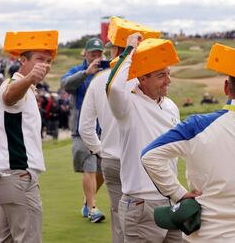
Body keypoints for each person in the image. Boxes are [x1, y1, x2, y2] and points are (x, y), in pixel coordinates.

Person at [141, 44, 235, 242]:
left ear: (225, 88)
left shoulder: (196, 125)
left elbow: (150, 156)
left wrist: (178, 194)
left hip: (200, 235)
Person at [106, 33, 182, 242]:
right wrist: (129, 51)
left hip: (171, 201)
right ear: (142, 78)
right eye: (161, 76)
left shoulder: (170, 106)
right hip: (141, 204)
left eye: (168, 73)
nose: (168, 81)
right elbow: (113, 87)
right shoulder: (127, 105)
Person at [0, 30, 58, 243]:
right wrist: (30, 78)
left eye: (48, 61)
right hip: (18, 176)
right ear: (22, 60)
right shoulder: (14, 85)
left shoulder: (27, 88)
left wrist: (30, 80)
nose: (44, 65)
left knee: (5, 240)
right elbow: (9, 97)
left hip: (8, 177)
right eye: (39, 59)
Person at [79, 40, 137, 242]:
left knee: (119, 220)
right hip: (139, 158)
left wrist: (100, 150)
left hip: (111, 158)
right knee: (143, 219)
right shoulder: (141, 80)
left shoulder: (98, 81)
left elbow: (85, 128)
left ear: (114, 51)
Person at [60, 38, 105, 223]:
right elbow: (66, 85)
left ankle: (87, 202)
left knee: (103, 172)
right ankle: (93, 209)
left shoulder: (106, 71)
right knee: (90, 167)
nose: (96, 57)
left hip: (103, 130)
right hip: (82, 130)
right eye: (92, 54)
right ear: (84, 54)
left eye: (99, 53)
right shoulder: (76, 71)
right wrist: (86, 73)